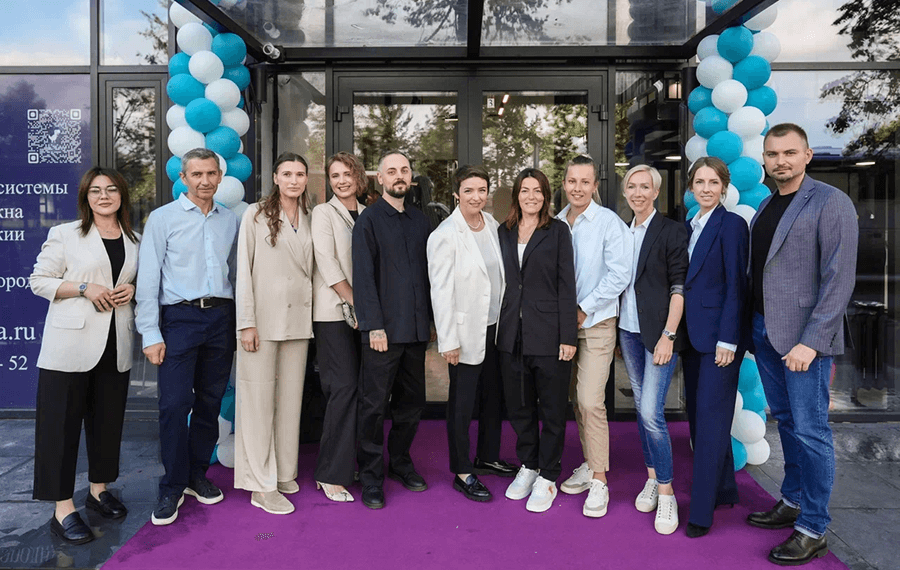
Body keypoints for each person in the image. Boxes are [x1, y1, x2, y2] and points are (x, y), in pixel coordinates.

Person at [746, 123, 858, 566]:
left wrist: (811, 342)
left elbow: (838, 279)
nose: (781, 161)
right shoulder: (767, 205)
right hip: (766, 333)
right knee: (789, 423)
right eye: (773, 154)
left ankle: (813, 528)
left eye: (789, 152)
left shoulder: (831, 202)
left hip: (803, 342)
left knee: (812, 432)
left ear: (807, 155)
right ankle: (792, 500)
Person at [29, 167, 139, 544]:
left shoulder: (135, 239)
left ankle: (98, 491)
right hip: (69, 345)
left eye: (111, 189)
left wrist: (132, 290)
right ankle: (63, 509)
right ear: (85, 197)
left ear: (122, 195)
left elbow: (134, 281)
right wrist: (83, 288)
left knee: (107, 422)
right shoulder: (65, 234)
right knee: (59, 428)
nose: (103, 196)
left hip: (115, 342)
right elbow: (39, 280)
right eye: (95, 190)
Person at [136, 148, 239, 526]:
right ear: (183, 178)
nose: (205, 181)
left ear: (219, 176)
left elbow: (234, 272)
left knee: (210, 402)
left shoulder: (229, 219)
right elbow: (148, 277)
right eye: (197, 174)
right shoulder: (163, 218)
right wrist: (150, 332)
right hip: (179, 318)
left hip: (220, 317)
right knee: (175, 404)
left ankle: (197, 475)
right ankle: (172, 485)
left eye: (211, 173)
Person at [427, 165, 517, 503]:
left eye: (481, 190)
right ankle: (463, 470)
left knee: (493, 397)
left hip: (494, 328)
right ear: (456, 194)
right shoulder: (445, 235)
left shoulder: (491, 224)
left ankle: (487, 456)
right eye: (469, 191)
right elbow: (440, 292)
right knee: (462, 405)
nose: (476, 197)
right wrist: (448, 340)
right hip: (464, 333)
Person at [233, 152, 314, 515]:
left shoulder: (311, 217)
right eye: (287, 174)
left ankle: (282, 471)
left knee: (290, 401)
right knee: (258, 402)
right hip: (262, 321)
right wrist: (246, 322)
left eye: (300, 174)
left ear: (306, 179)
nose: (294, 180)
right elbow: (244, 271)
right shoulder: (255, 214)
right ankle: (259, 485)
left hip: (299, 321)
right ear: (276, 178)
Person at [353, 150, 433, 510]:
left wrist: (431, 323)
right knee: (373, 407)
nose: (399, 176)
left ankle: (400, 462)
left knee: (410, 405)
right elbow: (363, 278)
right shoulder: (368, 221)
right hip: (382, 334)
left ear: (410, 177)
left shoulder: (422, 221)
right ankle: (371, 476)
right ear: (380, 179)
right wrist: (374, 326)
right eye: (392, 171)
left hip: (415, 331)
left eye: (404, 170)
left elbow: (430, 277)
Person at [497, 167, 577, 514]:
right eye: (525, 190)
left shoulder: (557, 231)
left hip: (549, 334)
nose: (531, 196)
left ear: (546, 196)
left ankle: (548, 474)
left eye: (538, 191)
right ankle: (529, 465)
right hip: (511, 335)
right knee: (520, 407)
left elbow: (566, 284)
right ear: (517, 195)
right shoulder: (503, 231)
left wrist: (568, 336)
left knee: (553, 409)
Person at [556, 155, 633, 518]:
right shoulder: (556, 223)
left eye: (585, 182)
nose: (578, 188)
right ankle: (590, 463)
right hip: (563, 327)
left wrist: (584, 308)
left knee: (590, 401)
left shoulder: (608, 223)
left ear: (595, 185)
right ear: (564, 183)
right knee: (576, 400)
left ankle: (600, 480)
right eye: (572, 181)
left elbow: (620, 274)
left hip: (596, 324)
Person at [680, 157, 749, 538]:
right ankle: (723, 489)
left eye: (713, 182)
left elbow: (737, 284)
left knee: (709, 424)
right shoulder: (690, 224)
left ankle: (701, 513)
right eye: (700, 182)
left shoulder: (732, 224)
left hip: (719, 341)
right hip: (693, 337)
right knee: (700, 417)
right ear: (691, 187)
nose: (706, 189)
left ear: (724, 186)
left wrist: (729, 339)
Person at [617, 164, 688, 535]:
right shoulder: (621, 231)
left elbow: (679, 287)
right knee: (642, 410)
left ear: (656, 192)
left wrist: (669, 335)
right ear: (625, 192)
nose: (638, 192)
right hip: (628, 331)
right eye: (632, 186)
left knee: (650, 411)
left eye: (645, 186)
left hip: (659, 334)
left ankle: (666, 491)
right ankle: (650, 476)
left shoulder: (671, 231)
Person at [310, 152, 368, 503]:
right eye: (335, 176)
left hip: (365, 314)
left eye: (347, 174)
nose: (342, 181)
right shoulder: (323, 213)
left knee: (358, 390)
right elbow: (327, 262)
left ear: (358, 177)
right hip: (334, 313)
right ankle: (329, 473)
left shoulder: (368, 212)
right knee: (342, 388)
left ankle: (346, 463)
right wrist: (355, 301)